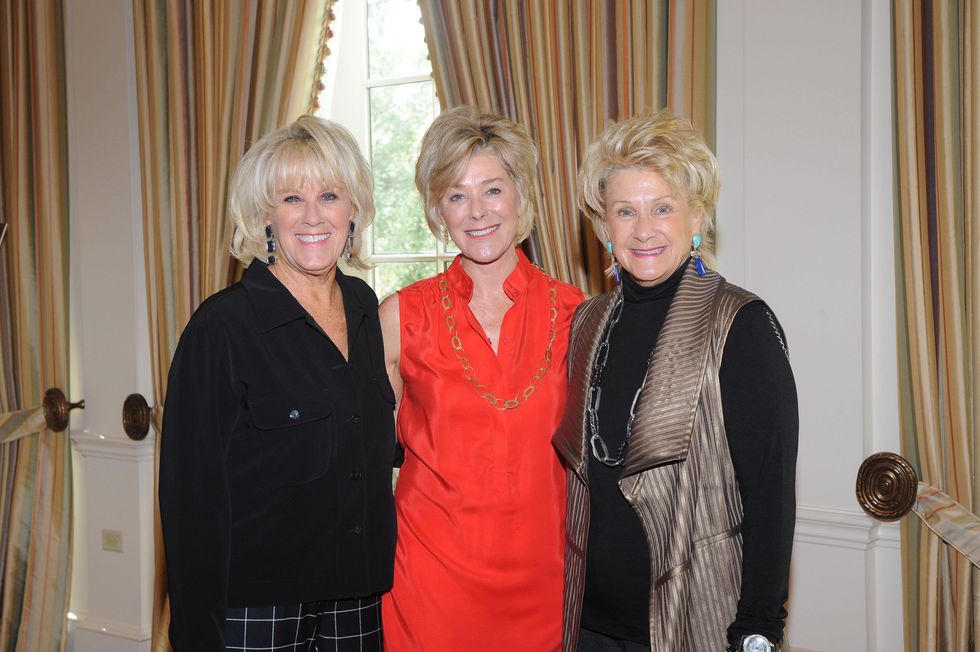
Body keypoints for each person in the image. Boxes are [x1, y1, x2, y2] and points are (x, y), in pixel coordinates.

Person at [552, 110, 798, 652]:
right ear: (603, 227)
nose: (643, 230)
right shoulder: (588, 322)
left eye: (662, 208)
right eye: (624, 211)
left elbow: (771, 492)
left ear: (697, 218)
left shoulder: (740, 324)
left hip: (693, 623)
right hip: (586, 624)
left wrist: (759, 623)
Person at [159, 115, 397, 650]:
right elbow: (190, 496)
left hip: (358, 595)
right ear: (264, 215)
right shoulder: (221, 327)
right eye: (291, 198)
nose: (313, 216)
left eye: (330, 195)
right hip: (256, 607)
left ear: (353, 209)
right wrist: (196, 631)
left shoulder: (364, 306)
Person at [379, 106, 584, 651]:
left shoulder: (578, 314)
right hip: (428, 581)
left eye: (492, 190)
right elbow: (358, 455)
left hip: (546, 584)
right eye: (455, 195)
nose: (477, 212)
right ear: (437, 211)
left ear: (520, 196)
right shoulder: (401, 315)